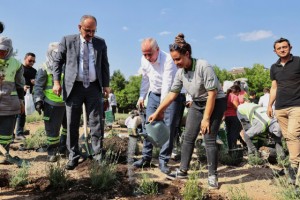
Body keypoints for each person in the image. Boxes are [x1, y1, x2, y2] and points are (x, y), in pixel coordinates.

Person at [148, 33, 226, 189]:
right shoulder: (180, 73)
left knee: (208, 137)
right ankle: (183, 170)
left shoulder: (203, 66)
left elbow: (212, 94)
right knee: (187, 137)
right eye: (174, 60)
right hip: (197, 103)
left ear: (187, 54)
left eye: (178, 59)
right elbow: (172, 94)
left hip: (215, 102)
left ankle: (212, 175)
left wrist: (206, 119)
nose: (176, 63)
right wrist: (158, 112)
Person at [52, 15, 110, 170]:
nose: (90, 34)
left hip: (93, 87)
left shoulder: (100, 43)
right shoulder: (67, 40)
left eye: (93, 30)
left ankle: (97, 155)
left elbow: (105, 65)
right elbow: (57, 62)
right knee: (72, 123)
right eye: (87, 30)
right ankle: (73, 156)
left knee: (96, 122)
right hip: (74, 87)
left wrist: (106, 84)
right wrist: (56, 82)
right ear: (79, 27)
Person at [133, 37, 184, 175]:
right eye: (145, 54)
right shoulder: (144, 60)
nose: (148, 57)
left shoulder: (168, 60)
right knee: (148, 125)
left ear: (158, 49)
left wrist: (161, 109)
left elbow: (167, 86)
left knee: (168, 128)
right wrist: (142, 96)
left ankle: (163, 160)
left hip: (170, 96)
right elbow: (145, 79)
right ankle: (146, 157)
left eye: (150, 54)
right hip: (153, 95)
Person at [267, 37, 300, 185]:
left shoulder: (298, 61)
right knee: (289, 139)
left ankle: (293, 168)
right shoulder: (274, 67)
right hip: (280, 108)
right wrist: (269, 105)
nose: (282, 50)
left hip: (296, 106)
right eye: (279, 48)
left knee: (293, 135)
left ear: (290, 47)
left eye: (284, 47)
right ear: (274, 51)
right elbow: (274, 87)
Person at [33, 42, 67, 162]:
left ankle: (64, 147)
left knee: (68, 128)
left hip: (67, 103)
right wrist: (38, 101)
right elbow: (38, 87)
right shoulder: (44, 67)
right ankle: (52, 151)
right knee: (52, 130)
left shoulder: (67, 66)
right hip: (51, 104)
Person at [0, 36, 25, 164]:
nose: (1, 53)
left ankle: (4, 154)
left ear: (9, 50)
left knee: (6, 133)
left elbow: (20, 85)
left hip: (10, 104)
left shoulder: (16, 64)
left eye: (3, 50)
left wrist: (21, 102)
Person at [15, 52, 37, 140]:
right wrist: (22, 86)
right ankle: (16, 133)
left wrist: (35, 82)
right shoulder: (19, 68)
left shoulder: (34, 71)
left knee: (22, 114)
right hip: (17, 94)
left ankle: (19, 132)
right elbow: (15, 80)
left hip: (28, 95)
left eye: (33, 61)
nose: (32, 62)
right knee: (15, 114)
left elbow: (37, 82)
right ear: (25, 59)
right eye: (30, 60)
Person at [224, 85, 242, 150]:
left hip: (227, 116)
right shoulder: (234, 97)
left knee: (229, 133)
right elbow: (236, 107)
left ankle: (230, 147)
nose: (239, 94)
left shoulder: (227, 96)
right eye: (238, 93)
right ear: (237, 91)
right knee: (234, 132)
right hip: (233, 116)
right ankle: (233, 147)